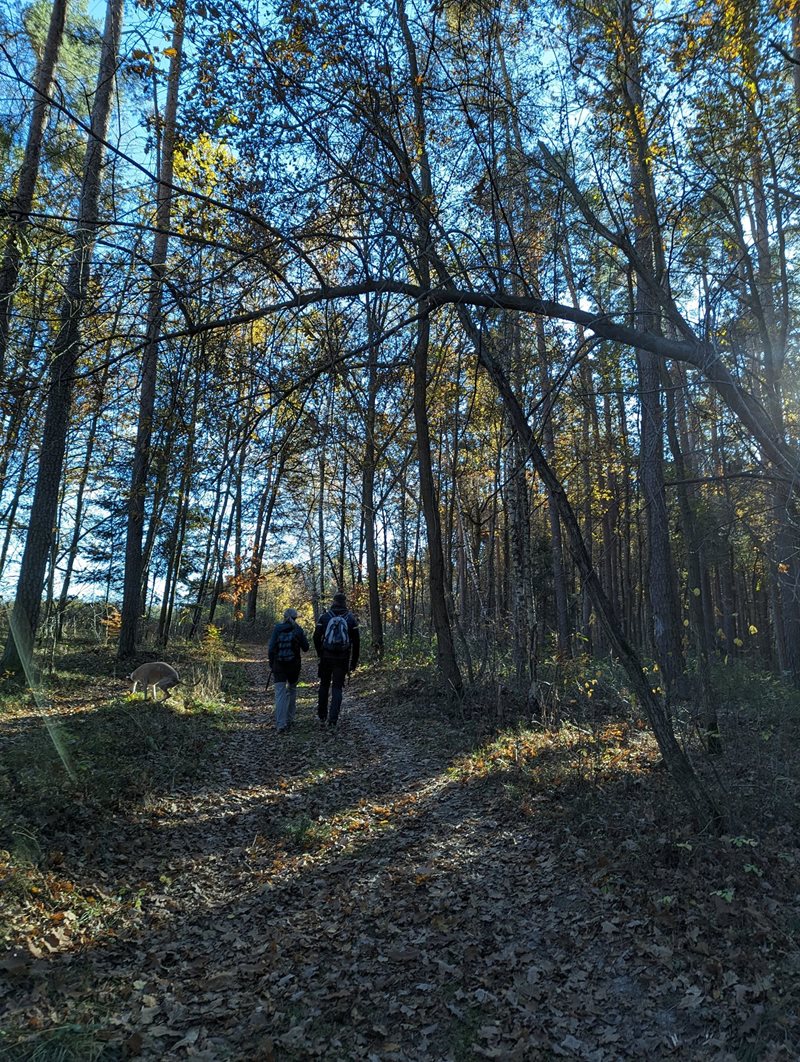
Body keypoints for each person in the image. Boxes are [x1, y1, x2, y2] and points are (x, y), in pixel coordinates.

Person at [313, 591, 360, 730]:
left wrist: (320, 652)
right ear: (345, 602)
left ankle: (322, 716)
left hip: (326, 657)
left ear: (333, 602)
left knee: (324, 685)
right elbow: (357, 643)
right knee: (337, 688)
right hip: (342, 658)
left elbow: (316, 637)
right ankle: (333, 720)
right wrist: (354, 662)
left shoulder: (325, 617)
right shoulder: (351, 619)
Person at [268, 608, 309, 733]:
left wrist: (272, 664)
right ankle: (290, 719)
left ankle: (281, 724)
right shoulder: (298, 629)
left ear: (284, 617)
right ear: (296, 617)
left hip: (279, 665)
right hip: (294, 666)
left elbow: (270, 649)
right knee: (292, 690)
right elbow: (306, 648)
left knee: (280, 693)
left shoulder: (277, 628)